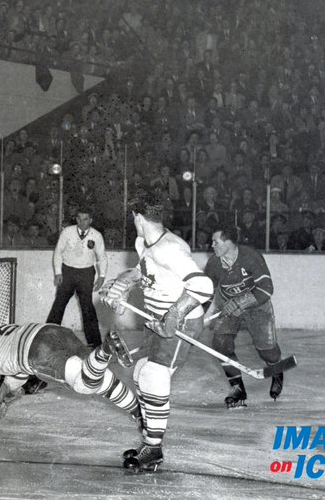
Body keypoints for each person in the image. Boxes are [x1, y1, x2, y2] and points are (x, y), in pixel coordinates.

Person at [98, 189, 214, 473]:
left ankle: (153, 448)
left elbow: (203, 286)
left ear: (137, 217)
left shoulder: (170, 249)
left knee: (153, 375)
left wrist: (174, 314)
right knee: (139, 372)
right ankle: (151, 441)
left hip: (180, 321)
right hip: (156, 319)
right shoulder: (146, 243)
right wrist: (122, 284)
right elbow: (142, 271)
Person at [0, 322, 139, 449]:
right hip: (56, 331)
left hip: (38, 349)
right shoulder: (2, 328)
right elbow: (16, 370)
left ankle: (105, 350)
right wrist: (1, 397)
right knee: (100, 378)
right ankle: (138, 412)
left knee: (84, 385)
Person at [204, 227, 286, 407]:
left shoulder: (251, 257)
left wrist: (240, 302)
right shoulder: (214, 263)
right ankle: (237, 387)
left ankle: (277, 369)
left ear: (228, 242)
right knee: (220, 344)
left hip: (257, 307)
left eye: (215, 242)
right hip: (228, 307)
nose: (212, 245)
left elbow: (266, 289)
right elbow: (205, 291)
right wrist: (200, 313)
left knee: (267, 351)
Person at [47, 208, 107, 347]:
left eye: (85, 219)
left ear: (91, 220)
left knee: (87, 308)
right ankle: (48, 339)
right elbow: (58, 252)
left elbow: (102, 257)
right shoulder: (67, 232)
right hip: (68, 272)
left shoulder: (96, 235)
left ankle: (95, 344)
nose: (82, 222)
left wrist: (102, 275)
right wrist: (58, 272)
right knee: (59, 305)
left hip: (86, 273)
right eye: (79, 218)